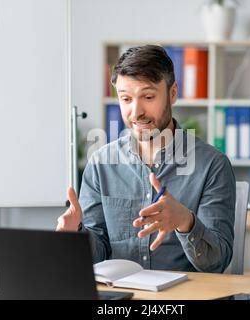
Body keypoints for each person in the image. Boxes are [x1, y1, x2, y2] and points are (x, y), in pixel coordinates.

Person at [56, 45, 236, 273]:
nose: (136, 111)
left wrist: (185, 222)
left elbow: (217, 263)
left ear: (172, 94)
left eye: (148, 97)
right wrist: (77, 236)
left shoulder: (213, 166)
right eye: (126, 99)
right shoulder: (101, 164)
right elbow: (99, 253)